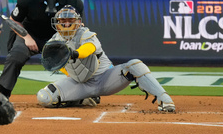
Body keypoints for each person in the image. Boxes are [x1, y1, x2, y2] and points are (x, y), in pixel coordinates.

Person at [36, 6, 175, 112]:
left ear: (77, 22)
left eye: (70, 20)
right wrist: (69, 73)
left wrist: (74, 54)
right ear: (57, 22)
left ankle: (165, 101)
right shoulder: (54, 41)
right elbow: (55, 63)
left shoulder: (85, 33)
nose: (66, 24)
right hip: (80, 84)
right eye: (63, 21)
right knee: (45, 97)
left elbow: (89, 48)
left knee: (134, 64)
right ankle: (83, 98)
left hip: (105, 79)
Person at [0, 0, 84, 99]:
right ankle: (1, 96)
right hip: (30, 34)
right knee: (16, 56)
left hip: (59, 39)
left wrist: (67, 42)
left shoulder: (73, 0)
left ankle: (86, 93)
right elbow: (13, 20)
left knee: (77, 59)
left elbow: (78, 25)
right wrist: (26, 38)